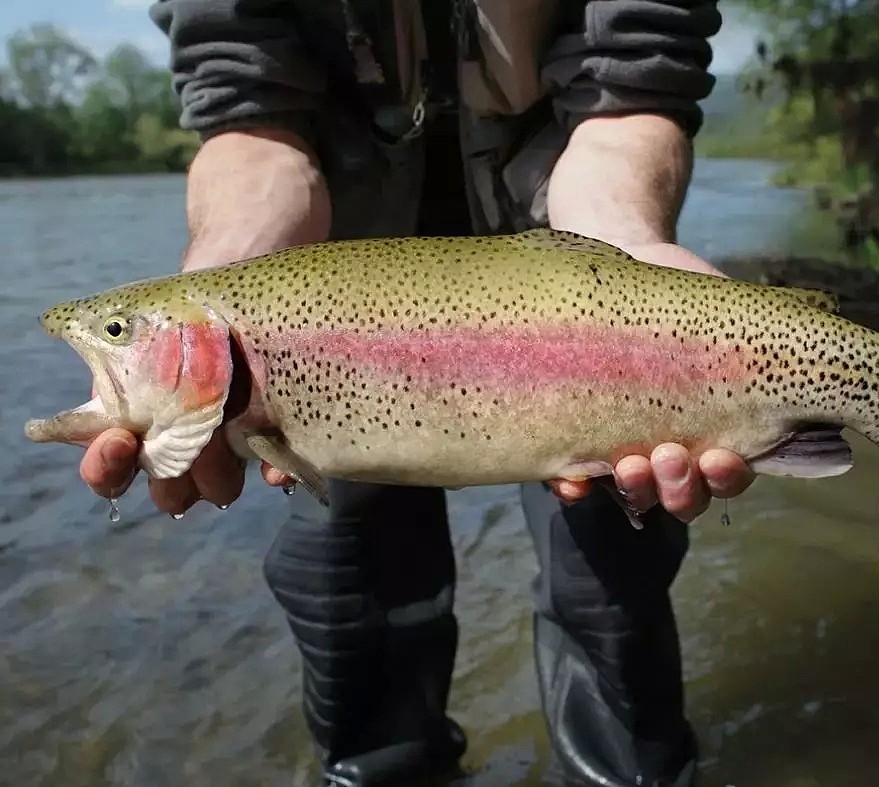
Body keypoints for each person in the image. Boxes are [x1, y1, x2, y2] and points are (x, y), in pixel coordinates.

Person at [78, 1, 755, 784]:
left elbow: (629, 82)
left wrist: (629, 249)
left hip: (565, 259)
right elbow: (248, 110)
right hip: (328, 309)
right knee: (341, 583)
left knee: (609, 566)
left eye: (119, 332)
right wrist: (229, 270)